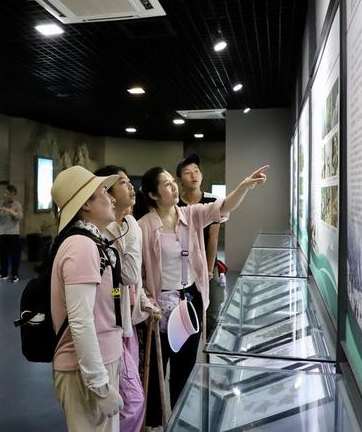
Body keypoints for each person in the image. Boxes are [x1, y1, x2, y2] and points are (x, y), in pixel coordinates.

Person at [138, 164, 268, 428]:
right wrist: (146, 303)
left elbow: (222, 207)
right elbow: (136, 274)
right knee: (155, 366)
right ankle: (153, 422)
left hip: (189, 300)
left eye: (172, 182)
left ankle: (179, 417)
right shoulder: (142, 227)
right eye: (165, 184)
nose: (173, 187)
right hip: (158, 305)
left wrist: (244, 185)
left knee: (185, 365)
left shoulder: (190, 215)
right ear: (152, 194)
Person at [50, 165, 125, 432]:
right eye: (103, 191)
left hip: (102, 361)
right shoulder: (81, 246)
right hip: (86, 371)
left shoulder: (96, 241)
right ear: (85, 205)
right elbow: (81, 321)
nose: (112, 197)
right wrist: (100, 386)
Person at [95, 165, 161, 432]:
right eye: (122, 182)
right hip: (109, 327)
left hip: (127, 326)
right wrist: (133, 225)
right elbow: (131, 274)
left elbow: (134, 286)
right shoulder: (108, 231)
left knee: (128, 399)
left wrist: (144, 301)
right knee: (131, 401)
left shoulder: (123, 226)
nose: (130, 186)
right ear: (107, 193)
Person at [175, 153, 223, 338]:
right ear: (180, 180)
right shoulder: (175, 203)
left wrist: (209, 270)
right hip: (182, 267)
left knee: (211, 311)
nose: (194, 175)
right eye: (188, 173)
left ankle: (209, 350)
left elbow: (213, 238)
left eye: (196, 171)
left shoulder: (212, 201)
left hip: (206, 264)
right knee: (187, 310)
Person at [0, 184, 24, 283]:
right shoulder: (0, 204)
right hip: (1, 233)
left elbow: (19, 216)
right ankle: (3, 273)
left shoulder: (17, 205)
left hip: (13, 234)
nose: (6, 195)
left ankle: (14, 274)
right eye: (5, 193)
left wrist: (8, 210)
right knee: (2, 254)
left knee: (14, 255)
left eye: (8, 194)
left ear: (14, 195)